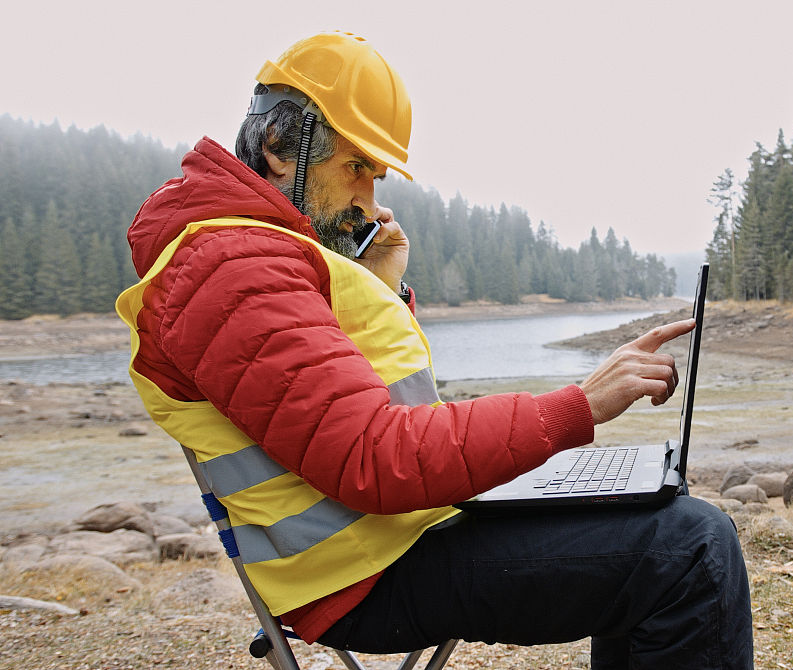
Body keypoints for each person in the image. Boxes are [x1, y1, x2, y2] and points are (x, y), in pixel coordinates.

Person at [116, 31, 752, 669]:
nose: (368, 200)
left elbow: (356, 402)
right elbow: (372, 456)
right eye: (355, 167)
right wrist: (576, 407)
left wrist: (381, 287)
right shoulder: (230, 265)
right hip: (360, 575)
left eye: (375, 174)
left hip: (394, 536)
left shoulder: (252, 251)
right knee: (689, 549)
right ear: (281, 147)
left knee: (662, 518)